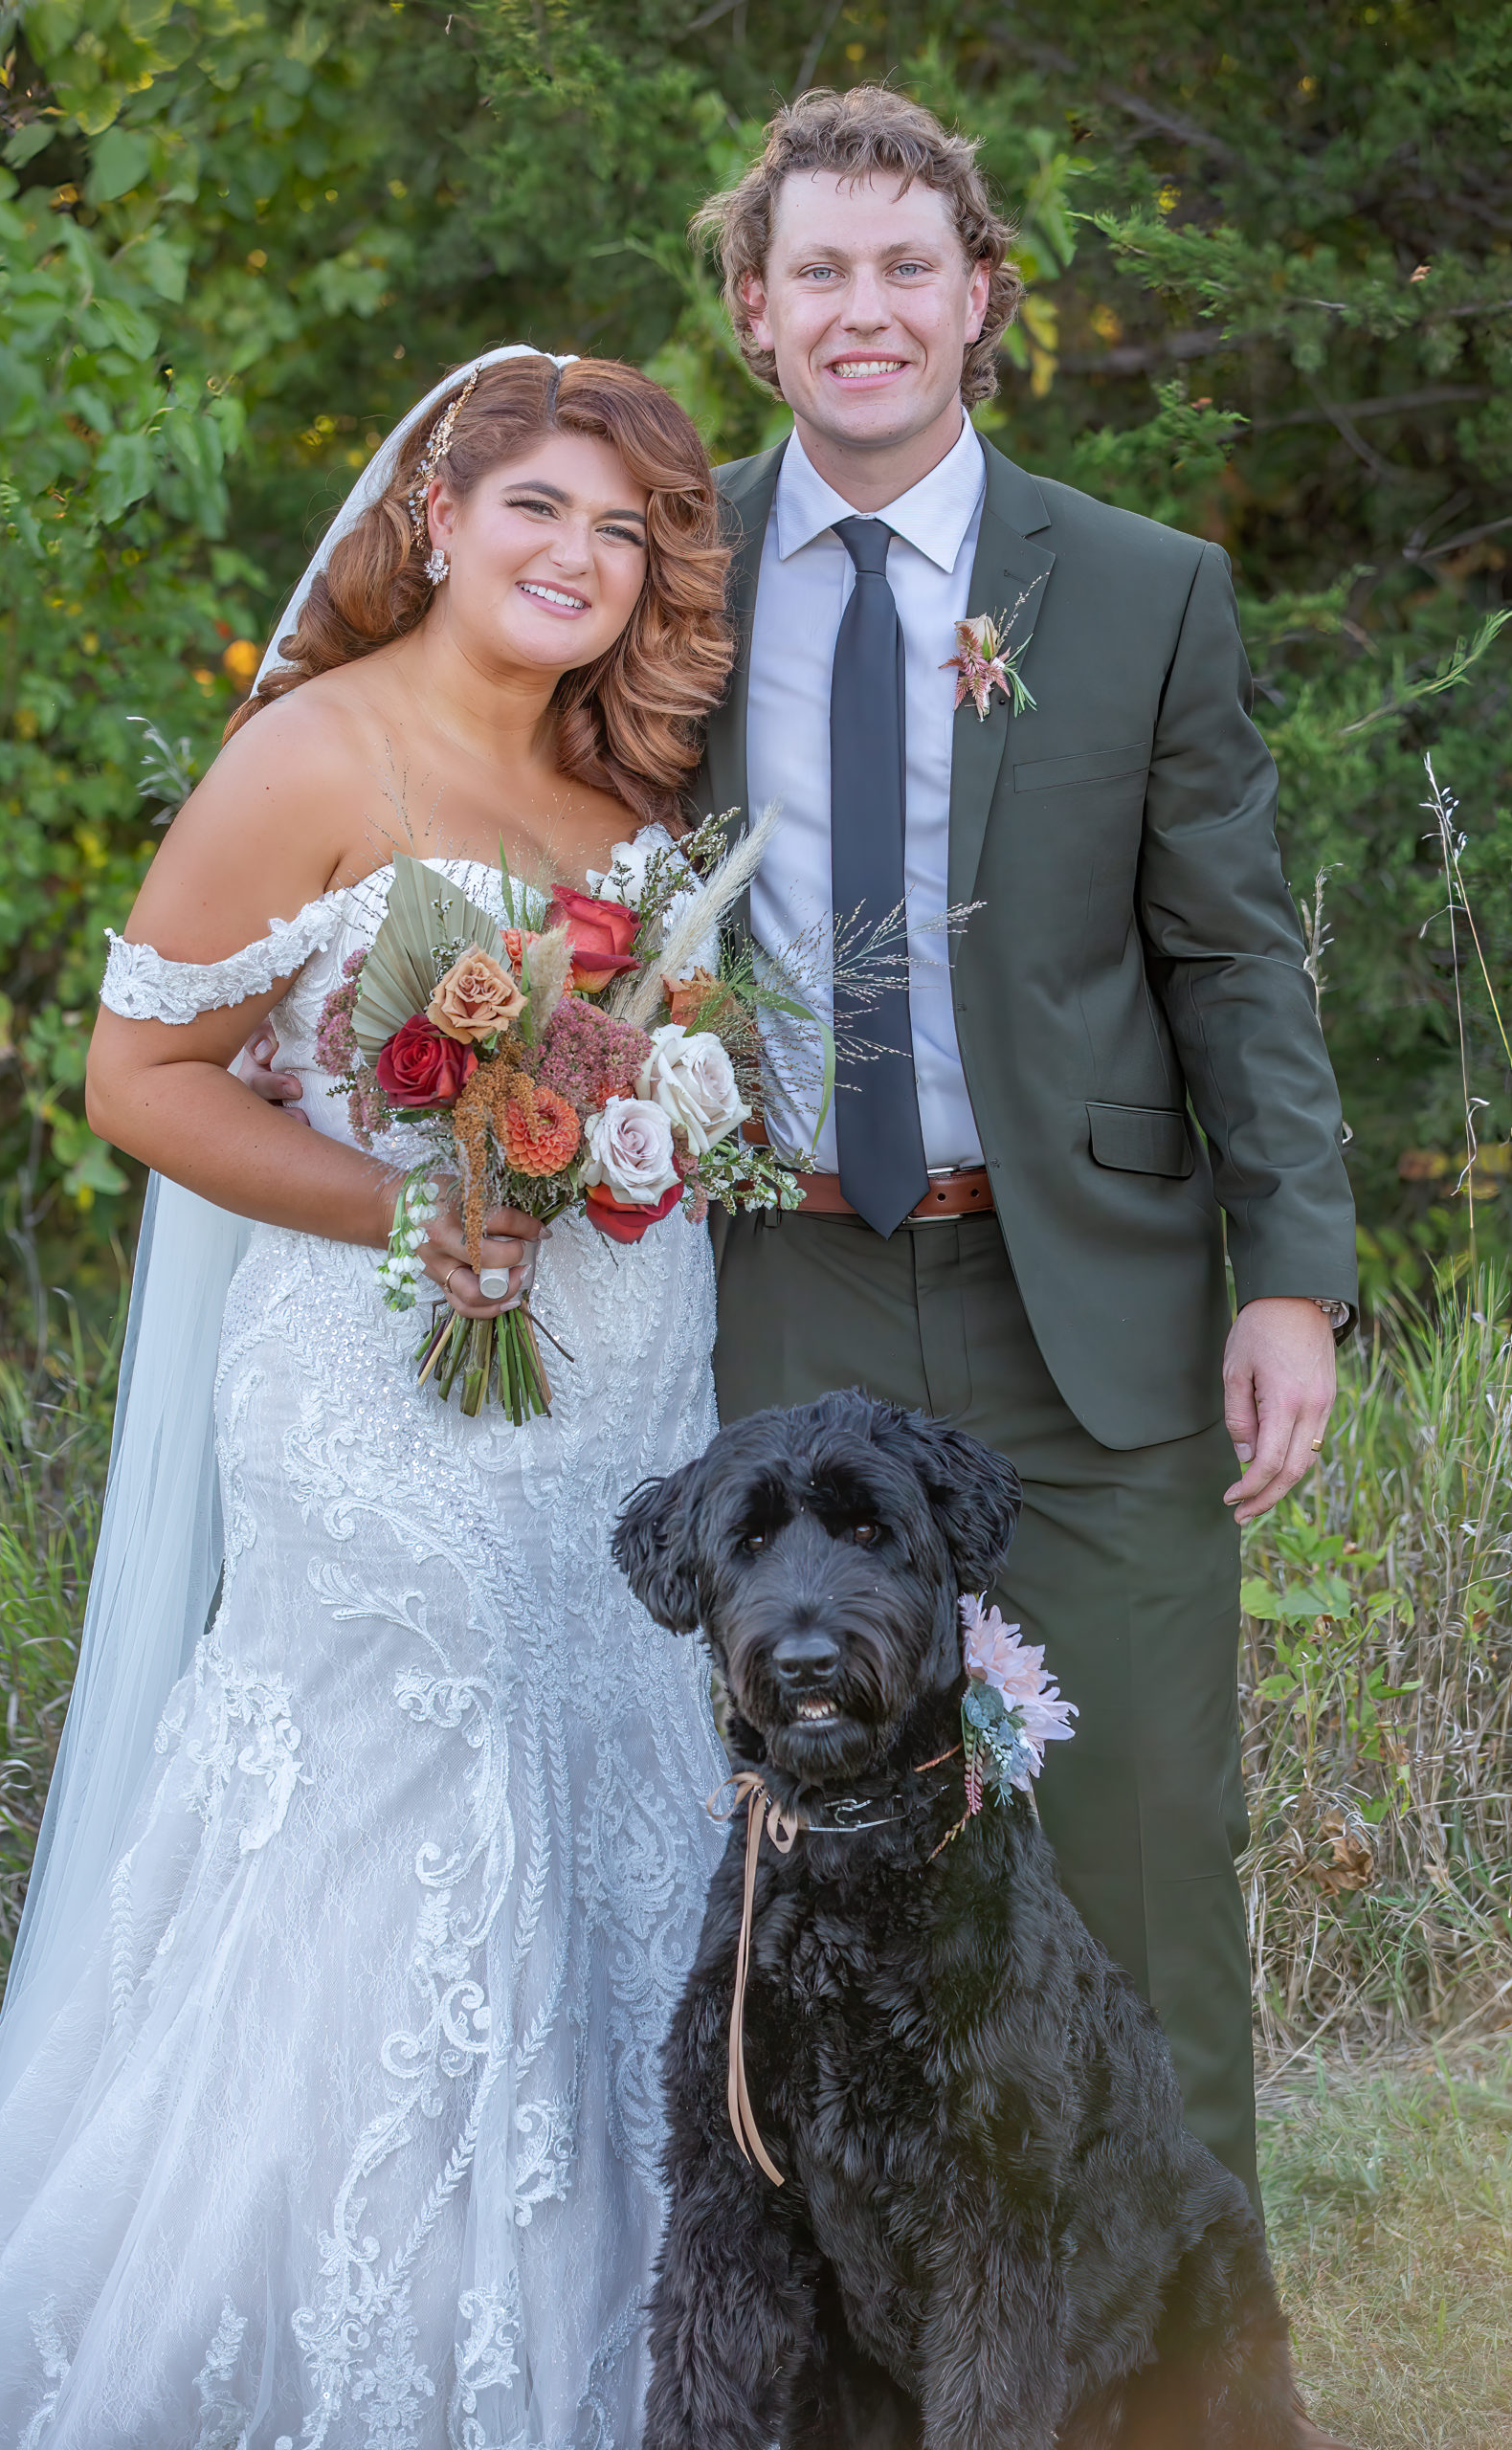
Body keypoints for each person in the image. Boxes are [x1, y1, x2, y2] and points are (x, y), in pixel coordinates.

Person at [0, 350, 736, 2448]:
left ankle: (632, 2338)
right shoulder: (310, 755)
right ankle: (360, 2352)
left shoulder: (627, 803)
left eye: (622, 531)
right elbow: (138, 1076)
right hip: (384, 1402)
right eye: (538, 506)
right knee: (406, 1834)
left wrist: (648, 1118)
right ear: (436, 517)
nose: (578, 558)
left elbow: (638, 1073)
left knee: (611, 1809)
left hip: (615, 1396)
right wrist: (401, 1208)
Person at [689, 84, 1356, 2273]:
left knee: (1149, 1840)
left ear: (977, 299)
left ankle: (1192, 2373)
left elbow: (1233, 957)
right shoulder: (660, 586)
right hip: (772, 1285)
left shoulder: (1142, 589)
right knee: (797, 1863)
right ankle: (864, 2359)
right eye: (818, 273)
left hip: (1085, 1305)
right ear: (753, 315)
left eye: (906, 267)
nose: (863, 310)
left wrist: (1290, 1279)